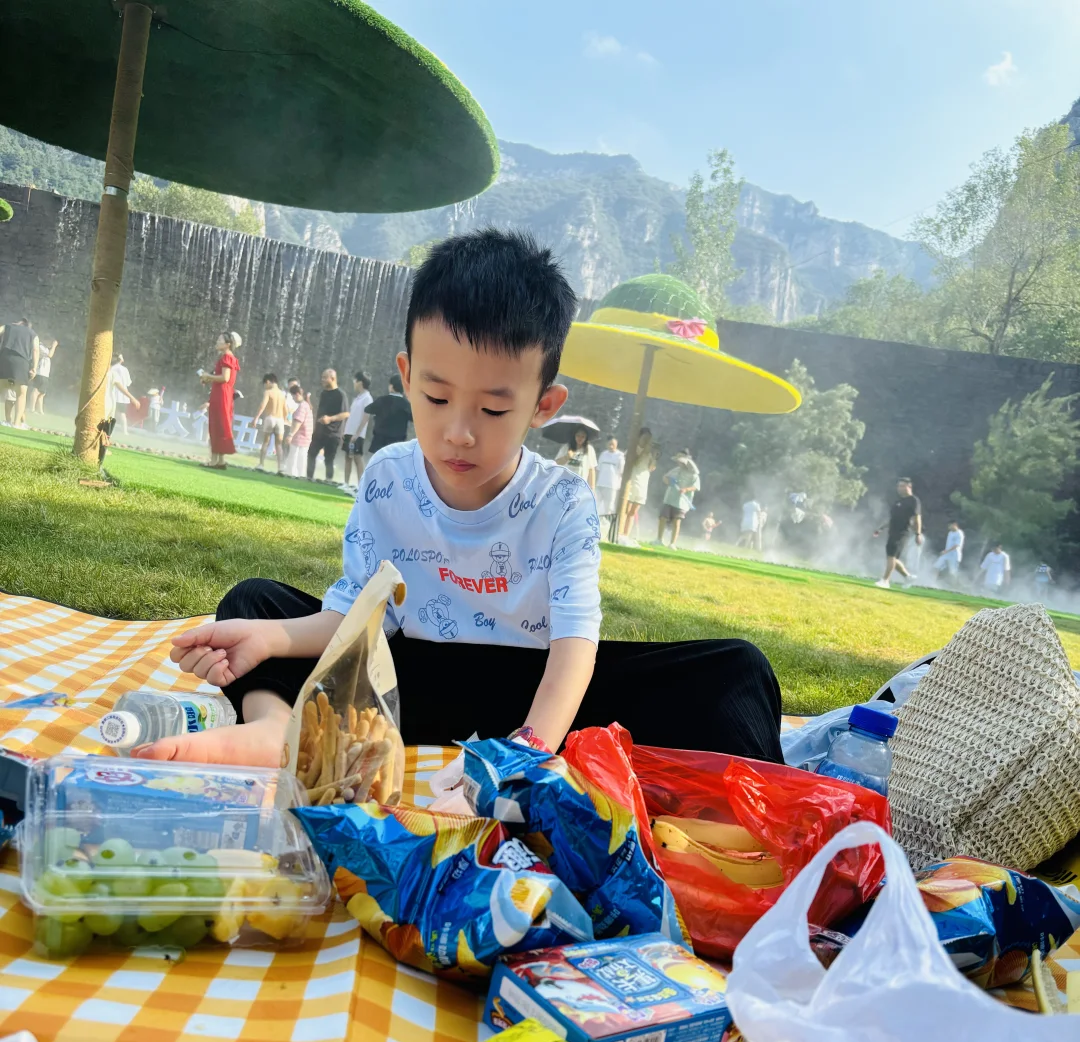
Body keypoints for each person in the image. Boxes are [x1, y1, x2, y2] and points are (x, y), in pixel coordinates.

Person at [133, 228, 784, 771]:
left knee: (734, 673)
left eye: (495, 407)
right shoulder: (387, 477)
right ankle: (279, 729)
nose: (459, 432)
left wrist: (528, 749)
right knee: (252, 606)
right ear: (408, 377)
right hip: (405, 683)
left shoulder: (563, 502)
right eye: (437, 399)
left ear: (543, 406)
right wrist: (272, 640)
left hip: (536, 691)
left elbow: (575, 646)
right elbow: (358, 618)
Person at [198, 331, 241, 470]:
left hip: (222, 394)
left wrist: (208, 376)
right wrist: (208, 377)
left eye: (220, 340)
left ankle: (214, 460)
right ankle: (219, 460)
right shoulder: (229, 357)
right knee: (220, 425)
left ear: (228, 344)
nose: (217, 342)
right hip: (224, 394)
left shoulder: (226, 358)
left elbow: (225, 378)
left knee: (217, 424)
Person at [873, 478, 922, 588]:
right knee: (892, 558)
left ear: (909, 487)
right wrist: (881, 528)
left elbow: (917, 518)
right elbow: (892, 519)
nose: (899, 488)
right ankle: (908, 577)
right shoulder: (898, 502)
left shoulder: (914, 500)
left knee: (891, 556)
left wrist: (918, 534)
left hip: (902, 533)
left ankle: (885, 581)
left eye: (902, 486)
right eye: (898, 486)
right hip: (892, 532)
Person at [307, 368, 349, 482]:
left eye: (325, 378)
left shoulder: (341, 394)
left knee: (328, 459)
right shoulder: (323, 393)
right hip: (320, 431)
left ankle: (328, 480)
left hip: (333, 433)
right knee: (311, 453)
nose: (322, 380)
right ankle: (309, 478)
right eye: (322, 377)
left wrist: (330, 418)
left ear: (333, 378)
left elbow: (346, 413)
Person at [0, 318, 39, 428]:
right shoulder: (33, 333)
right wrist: (34, 368)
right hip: (21, 363)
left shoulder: (8, 326)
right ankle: (17, 423)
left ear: (20, 323)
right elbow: (36, 350)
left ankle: (8, 420)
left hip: (4, 359)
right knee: (21, 395)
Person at [657, 451, 700, 548]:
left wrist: (686, 489)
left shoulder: (693, 474)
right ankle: (659, 539)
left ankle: (672, 543)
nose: (679, 463)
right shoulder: (676, 470)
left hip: (682, 502)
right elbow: (665, 477)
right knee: (663, 518)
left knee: (676, 521)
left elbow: (696, 487)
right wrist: (668, 481)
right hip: (669, 498)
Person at [620, 427, 657, 539]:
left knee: (633, 511)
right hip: (631, 481)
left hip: (643, 482)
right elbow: (632, 462)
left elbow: (651, 468)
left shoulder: (649, 453)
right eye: (644, 438)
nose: (647, 441)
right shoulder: (632, 449)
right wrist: (642, 451)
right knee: (626, 509)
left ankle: (626, 535)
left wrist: (654, 457)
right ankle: (620, 533)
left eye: (649, 439)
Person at [366, 373, 413, 455]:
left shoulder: (382, 400)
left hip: (380, 440)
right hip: (398, 443)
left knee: (379, 465)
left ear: (391, 386)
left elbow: (367, 409)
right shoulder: (406, 404)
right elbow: (414, 418)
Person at [342, 370, 373, 489]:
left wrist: (357, 433)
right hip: (349, 432)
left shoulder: (367, 398)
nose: (353, 383)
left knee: (357, 458)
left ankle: (362, 486)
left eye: (355, 381)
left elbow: (365, 418)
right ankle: (346, 483)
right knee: (347, 457)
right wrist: (345, 431)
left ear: (360, 382)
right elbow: (352, 416)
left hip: (358, 434)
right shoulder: (357, 398)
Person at [252, 373, 287, 474]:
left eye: (265, 384)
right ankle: (280, 467)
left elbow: (263, 405)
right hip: (280, 420)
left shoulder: (268, 392)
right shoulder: (282, 394)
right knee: (279, 445)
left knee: (266, 442)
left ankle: (261, 464)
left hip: (270, 418)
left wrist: (256, 418)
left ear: (267, 382)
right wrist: (285, 420)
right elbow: (285, 409)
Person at [595, 435, 624, 539]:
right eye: (609, 444)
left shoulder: (620, 456)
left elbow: (621, 472)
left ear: (616, 444)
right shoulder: (603, 454)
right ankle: (595, 528)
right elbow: (598, 469)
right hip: (600, 484)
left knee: (609, 508)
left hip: (612, 486)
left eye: (613, 444)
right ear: (606, 444)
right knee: (596, 506)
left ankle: (607, 532)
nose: (611, 446)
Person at [283, 382, 312, 477]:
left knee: (294, 458)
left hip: (300, 437)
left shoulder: (302, 406)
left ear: (297, 394)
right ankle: (299, 475)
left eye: (293, 396)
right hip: (306, 437)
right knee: (301, 459)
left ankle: (292, 475)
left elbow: (297, 422)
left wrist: (290, 434)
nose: (293, 399)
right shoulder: (306, 405)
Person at [105, 351, 135, 437]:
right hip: (122, 396)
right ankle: (124, 431)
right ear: (120, 360)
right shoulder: (124, 369)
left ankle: (108, 430)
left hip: (112, 394)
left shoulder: (111, 368)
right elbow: (128, 383)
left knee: (110, 413)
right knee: (122, 414)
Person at [30, 337, 57, 416]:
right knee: (36, 391)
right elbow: (50, 355)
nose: (50, 344)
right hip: (40, 372)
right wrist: (54, 346)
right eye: (50, 341)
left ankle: (40, 411)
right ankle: (31, 409)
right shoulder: (40, 346)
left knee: (42, 393)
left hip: (45, 373)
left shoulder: (45, 348)